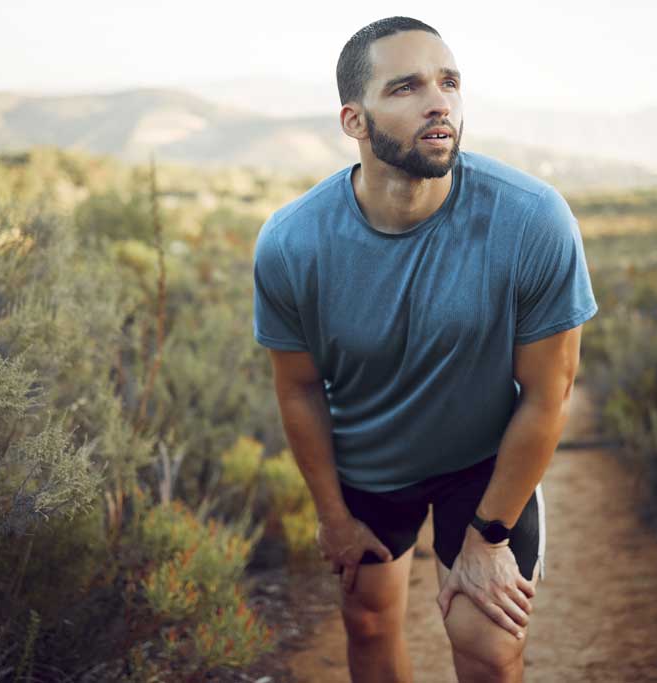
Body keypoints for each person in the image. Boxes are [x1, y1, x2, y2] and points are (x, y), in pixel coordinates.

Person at [251, 16, 597, 683]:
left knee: (487, 636)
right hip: (370, 461)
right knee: (370, 622)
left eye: (449, 82)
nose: (439, 101)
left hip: (483, 462)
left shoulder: (531, 218)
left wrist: (489, 537)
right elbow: (296, 388)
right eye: (406, 87)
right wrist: (333, 518)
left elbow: (549, 393)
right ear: (354, 120)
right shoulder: (293, 242)